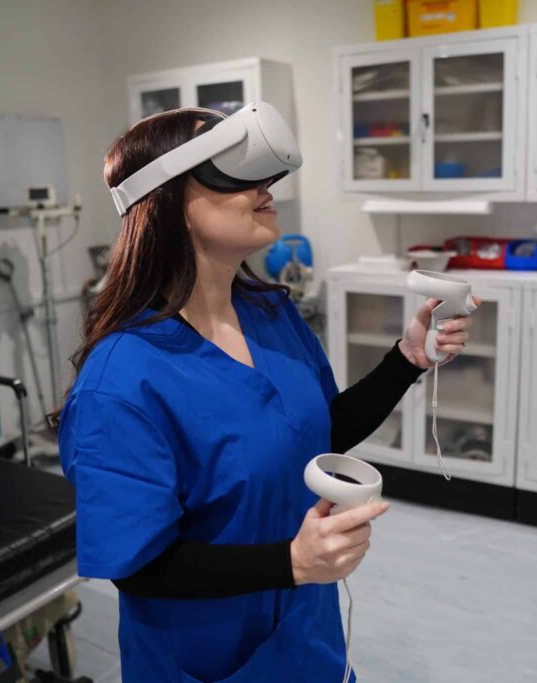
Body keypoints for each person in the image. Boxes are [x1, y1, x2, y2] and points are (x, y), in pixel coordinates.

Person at [57, 106, 479, 682]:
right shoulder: (123, 381)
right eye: (234, 173)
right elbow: (138, 567)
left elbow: (317, 431)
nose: (266, 189)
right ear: (167, 203)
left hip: (307, 639)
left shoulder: (269, 314)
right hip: (207, 659)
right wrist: (292, 561)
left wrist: (407, 358)